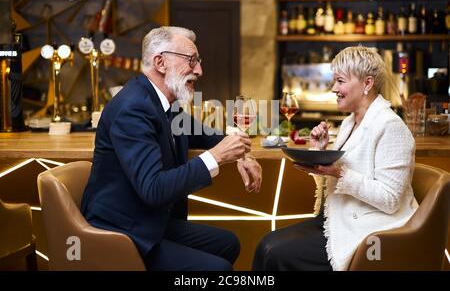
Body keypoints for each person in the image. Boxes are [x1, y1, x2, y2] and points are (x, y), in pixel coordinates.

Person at [81, 26, 262, 271]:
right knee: (218, 268)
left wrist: (241, 152)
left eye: (198, 61)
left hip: (149, 220)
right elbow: (153, 189)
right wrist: (217, 157)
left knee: (229, 243)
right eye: (191, 60)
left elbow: (206, 135)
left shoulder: (164, 103)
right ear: (160, 62)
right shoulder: (133, 108)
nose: (199, 70)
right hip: (123, 231)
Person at [253, 46, 418, 271]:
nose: (333, 89)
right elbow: (333, 182)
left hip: (372, 230)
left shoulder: (391, 127)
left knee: (275, 254)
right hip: (336, 218)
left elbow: (390, 200)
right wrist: (319, 150)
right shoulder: (349, 123)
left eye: (340, 81)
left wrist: (338, 172)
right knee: (265, 245)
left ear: (367, 84)